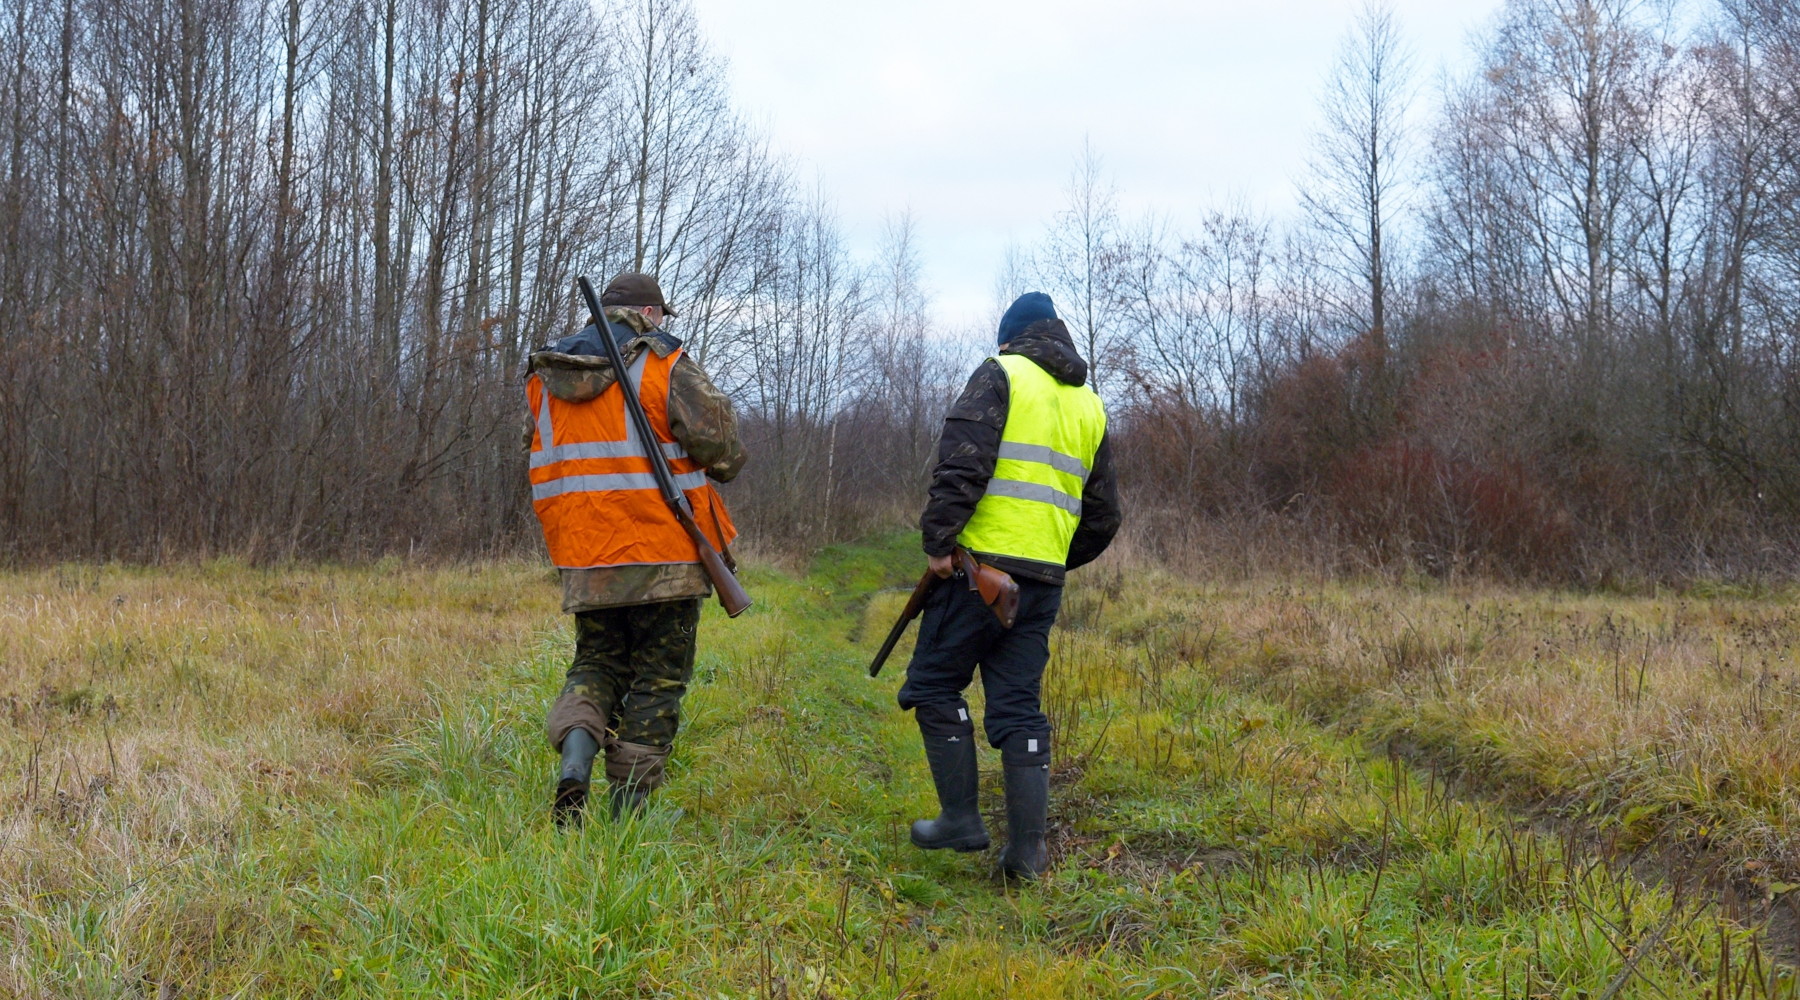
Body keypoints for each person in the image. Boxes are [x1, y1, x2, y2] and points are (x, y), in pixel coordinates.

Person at [898, 292, 1121, 880]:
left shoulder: (1002, 373)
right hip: (1040, 583)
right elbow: (1103, 517)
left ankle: (961, 819)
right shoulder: (1090, 406)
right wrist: (1049, 561)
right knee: (1020, 707)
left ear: (1009, 337)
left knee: (933, 684)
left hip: (978, 572)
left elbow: (962, 462)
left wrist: (940, 543)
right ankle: (1026, 855)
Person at [525, 271, 746, 826]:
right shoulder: (662, 363)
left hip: (586, 555)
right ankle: (627, 816)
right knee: (657, 676)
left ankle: (576, 760)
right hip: (664, 555)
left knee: (596, 662)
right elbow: (724, 452)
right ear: (649, 313)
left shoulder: (546, 377)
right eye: (662, 316)